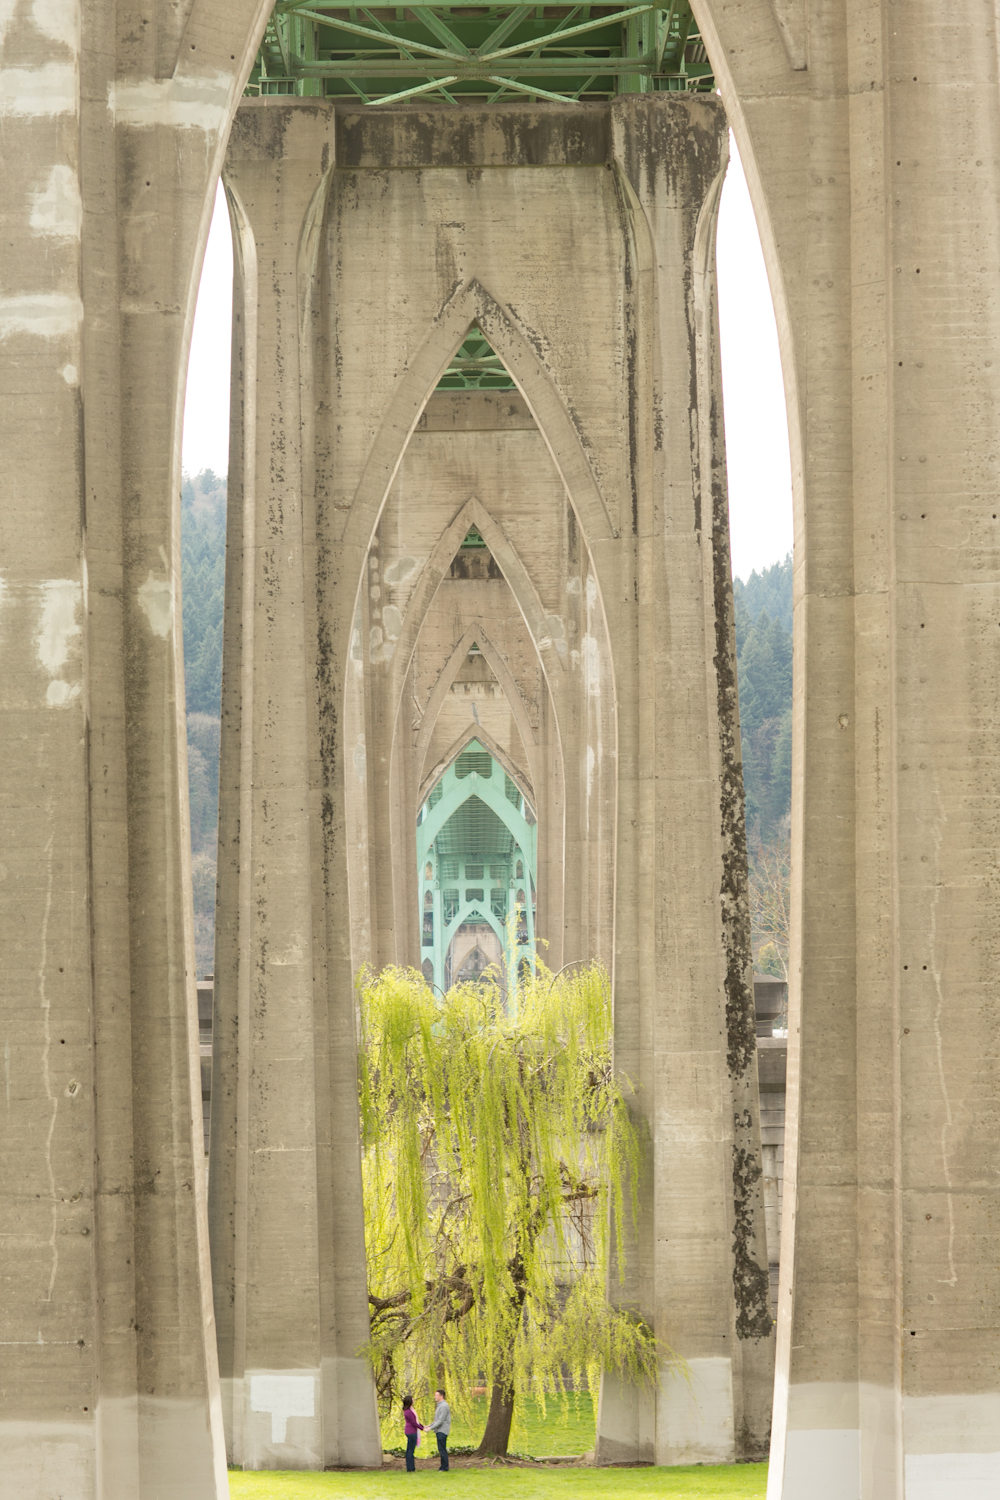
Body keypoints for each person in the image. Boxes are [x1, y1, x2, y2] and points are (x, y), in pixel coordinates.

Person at [427, 1386, 451, 1471]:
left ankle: (445, 1467)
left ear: (441, 1396)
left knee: (442, 1449)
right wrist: (429, 1426)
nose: (435, 1397)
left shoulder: (444, 1406)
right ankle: (442, 1466)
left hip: (442, 1430)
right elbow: (437, 1420)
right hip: (439, 1430)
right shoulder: (440, 1405)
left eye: (436, 1395)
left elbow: (440, 1420)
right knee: (441, 1449)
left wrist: (430, 1428)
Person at [402, 1395, 423, 1472]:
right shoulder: (408, 1411)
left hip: (411, 1431)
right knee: (410, 1450)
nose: (414, 1401)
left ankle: (411, 1468)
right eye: (412, 1400)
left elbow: (416, 1421)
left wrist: (422, 1426)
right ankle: (410, 1468)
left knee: (410, 1450)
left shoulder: (410, 1410)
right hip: (411, 1432)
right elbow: (413, 1422)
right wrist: (422, 1428)